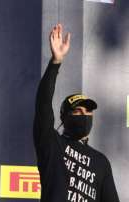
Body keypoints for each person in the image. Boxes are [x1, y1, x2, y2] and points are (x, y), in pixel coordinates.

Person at [34, 24, 119, 202]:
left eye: (88, 111)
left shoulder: (101, 162)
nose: (85, 115)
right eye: (78, 111)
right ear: (64, 118)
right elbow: (43, 105)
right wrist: (55, 62)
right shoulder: (51, 144)